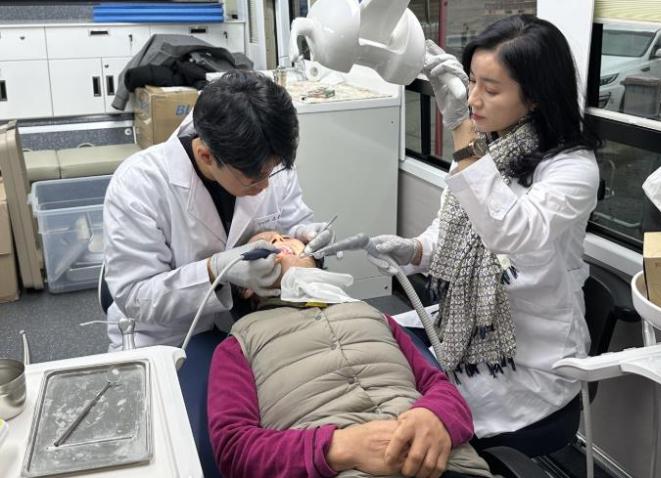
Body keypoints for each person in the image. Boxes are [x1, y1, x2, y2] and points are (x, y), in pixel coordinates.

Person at [368, 14, 601, 454]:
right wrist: (414, 250)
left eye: (490, 89)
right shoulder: (485, 147)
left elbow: (508, 234)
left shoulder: (573, 170)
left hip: (529, 362)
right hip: (463, 331)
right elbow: (451, 231)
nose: (473, 99)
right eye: (471, 81)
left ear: (535, 97)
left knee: (407, 425)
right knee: (373, 351)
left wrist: (463, 133)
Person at [102, 70, 333, 473]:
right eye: (254, 178)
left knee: (291, 422)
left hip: (254, 327)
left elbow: (293, 217)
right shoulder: (139, 184)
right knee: (193, 450)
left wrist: (306, 237)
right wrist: (216, 272)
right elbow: (136, 297)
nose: (266, 185)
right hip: (168, 337)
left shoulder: (264, 162)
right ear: (207, 156)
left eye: (273, 171)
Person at [207, 231, 492, 478]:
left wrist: (436, 416)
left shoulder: (370, 313)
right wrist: (337, 448)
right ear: (245, 286)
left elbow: (439, 385)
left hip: (445, 464)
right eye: (267, 244)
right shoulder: (239, 343)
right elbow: (234, 450)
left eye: (286, 237)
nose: (281, 242)